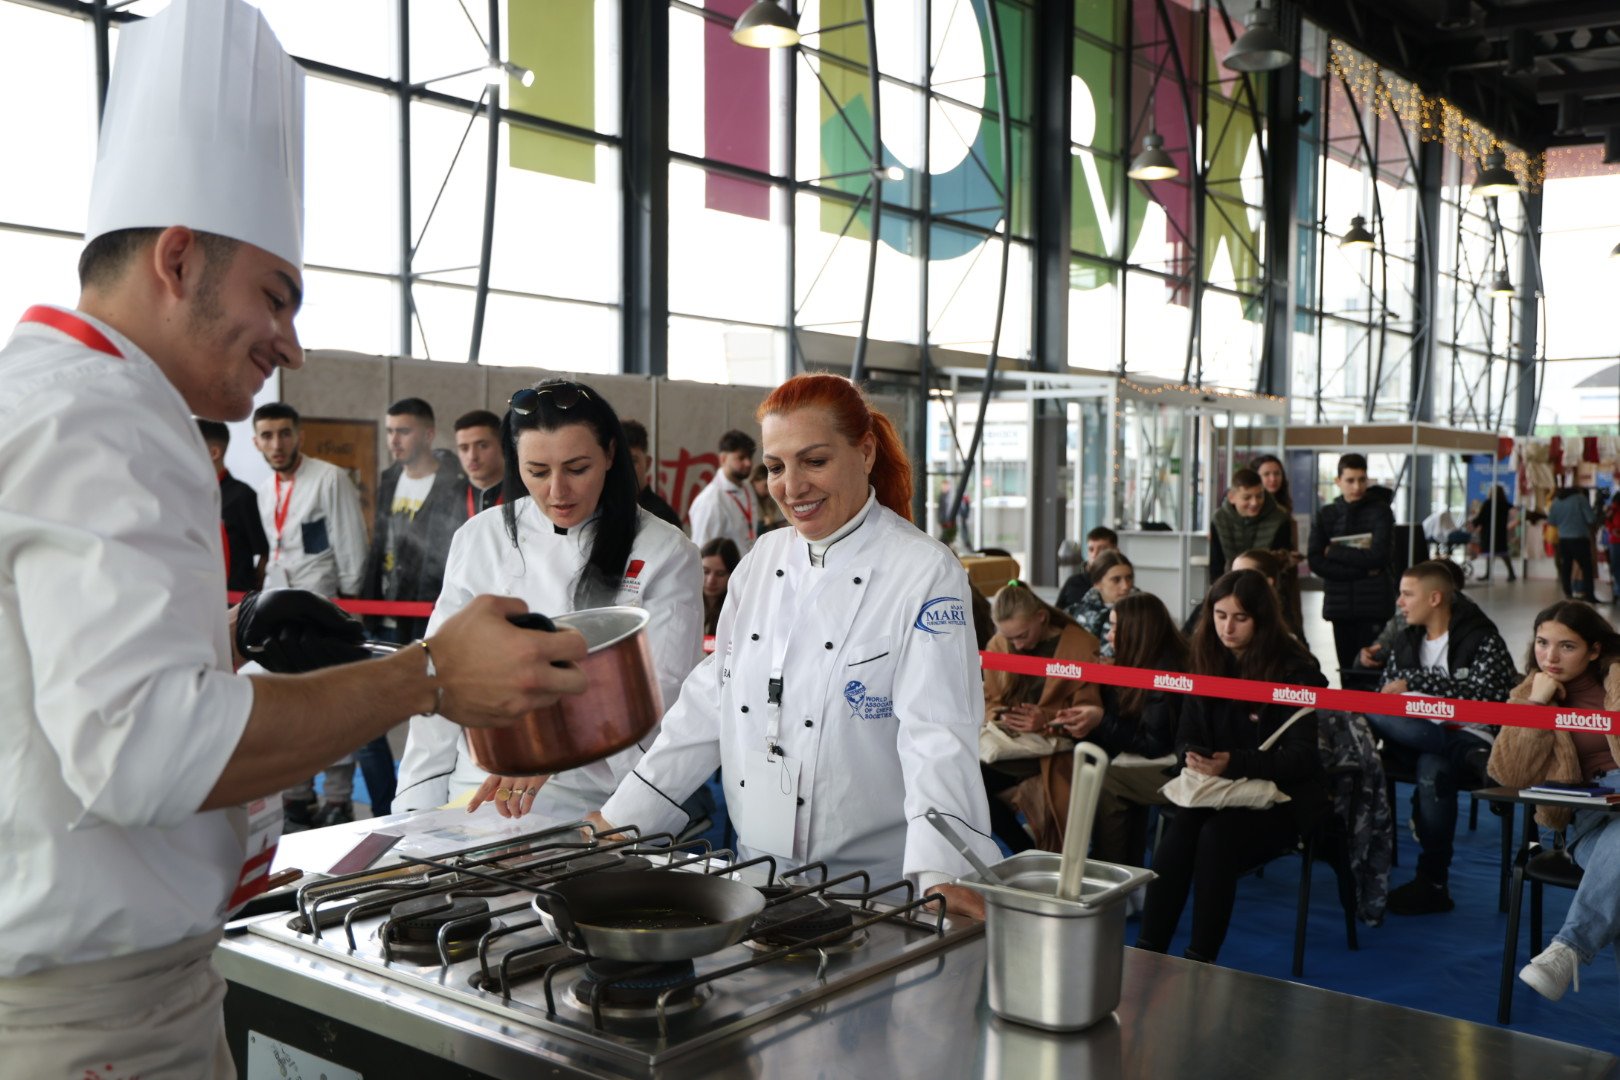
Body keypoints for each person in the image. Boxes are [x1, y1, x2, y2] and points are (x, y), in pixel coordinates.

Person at [0, 2, 587, 1071]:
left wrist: (229, 650)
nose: (292, 345)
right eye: (277, 297)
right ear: (178, 260)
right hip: (92, 1021)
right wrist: (427, 677)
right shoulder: (102, 416)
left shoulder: (50, 397)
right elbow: (145, 749)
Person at [591, 374, 998, 918]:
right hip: (755, 877)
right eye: (776, 467)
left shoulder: (923, 570)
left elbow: (938, 732)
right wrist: (623, 819)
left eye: (815, 461)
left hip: (874, 890)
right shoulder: (760, 561)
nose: (792, 486)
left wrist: (942, 873)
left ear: (866, 452)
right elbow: (711, 702)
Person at [396, 379, 704, 821]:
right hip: (474, 791)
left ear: (610, 455)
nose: (558, 491)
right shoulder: (481, 537)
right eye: (537, 472)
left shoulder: (664, 551)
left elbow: (662, 695)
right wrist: (414, 810)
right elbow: (440, 675)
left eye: (577, 469)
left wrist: (554, 747)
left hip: (598, 802)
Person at [1135, 570, 1329, 962]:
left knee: (1215, 836)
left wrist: (1234, 762)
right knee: (1182, 829)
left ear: (1262, 619)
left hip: (1280, 798)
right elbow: (1184, 735)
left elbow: (1302, 758)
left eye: (1240, 618)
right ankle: (1148, 950)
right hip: (1217, 787)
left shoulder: (1295, 670)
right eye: (1220, 615)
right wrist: (1192, 755)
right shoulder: (1204, 657)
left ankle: (1200, 959)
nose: (1227, 628)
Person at [1363, 560, 1519, 915]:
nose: (1399, 603)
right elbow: (1384, 697)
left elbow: (1491, 699)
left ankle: (1433, 883)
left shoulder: (1482, 638)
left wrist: (1416, 683)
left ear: (1434, 598)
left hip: (1472, 733)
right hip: (1420, 738)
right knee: (1372, 709)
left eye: (1407, 594)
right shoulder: (1404, 640)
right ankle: (1466, 756)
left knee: (1434, 769)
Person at [1488, 602, 1620, 1002]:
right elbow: (1510, 773)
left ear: (1594, 650)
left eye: (1567, 646)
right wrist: (1536, 706)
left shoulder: (1617, 680)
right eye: (1543, 643)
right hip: (1588, 816)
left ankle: (1566, 953)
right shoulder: (1529, 693)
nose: (1550, 656)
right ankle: (1570, 949)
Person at [1055, 592, 1185, 866]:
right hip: (1165, 756)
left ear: (1136, 632)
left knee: (1109, 782)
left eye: (1115, 627)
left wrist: (1101, 719)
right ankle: (1122, 870)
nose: (1109, 635)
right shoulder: (1147, 659)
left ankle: (1107, 871)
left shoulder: (1164, 673)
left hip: (1177, 763)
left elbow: (1153, 745)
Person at [978, 581, 1103, 853]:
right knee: (966, 780)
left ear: (1042, 617)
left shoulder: (1080, 646)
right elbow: (987, 700)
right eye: (1009, 638)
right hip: (1007, 744)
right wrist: (1002, 715)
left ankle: (1026, 852)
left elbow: (1086, 710)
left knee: (975, 783)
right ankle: (1025, 851)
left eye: (1022, 635)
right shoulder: (999, 644)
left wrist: (1046, 719)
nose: (1017, 645)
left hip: (1053, 749)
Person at [361, 397, 465, 644]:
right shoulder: (389, 479)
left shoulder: (454, 485)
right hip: (380, 609)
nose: (394, 441)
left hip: (424, 613)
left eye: (403, 432)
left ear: (429, 435)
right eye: (390, 431)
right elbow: (378, 544)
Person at [252, 402, 368, 598]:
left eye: (285, 434)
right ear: (256, 443)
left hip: (321, 598)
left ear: (300, 438)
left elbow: (351, 544)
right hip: (276, 595)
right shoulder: (265, 490)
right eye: (267, 436)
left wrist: (350, 596)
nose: (277, 445)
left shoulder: (329, 478)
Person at [1308, 452, 1397, 676]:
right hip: (1340, 607)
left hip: (1374, 605)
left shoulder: (1381, 512)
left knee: (1373, 670)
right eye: (1350, 480)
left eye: (1361, 479)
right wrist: (1365, 571)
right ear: (1338, 481)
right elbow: (1316, 561)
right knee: (1347, 670)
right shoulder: (1326, 515)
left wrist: (1334, 552)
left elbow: (1379, 556)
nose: (1357, 486)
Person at [198, 418, 268, 593]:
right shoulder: (190, 495)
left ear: (214, 453)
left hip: (235, 597)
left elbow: (264, 553)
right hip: (200, 593)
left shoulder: (243, 495)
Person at [1251, 453, 1305, 634]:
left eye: (1277, 473)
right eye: (1266, 474)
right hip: (1258, 576)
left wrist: (1290, 556)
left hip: (1285, 578)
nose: (1273, 479)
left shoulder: (1284, 507)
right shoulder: (1249, 509)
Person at [1209, 468, 1292, 581]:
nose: (1254, 503)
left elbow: (1281, 563)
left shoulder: (1279, 518)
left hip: (1267, 583)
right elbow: (1216, 565)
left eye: (1259, 496)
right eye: (1247, 498)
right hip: (1228, 583)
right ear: (1232, 497)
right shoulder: (1219, 519)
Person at [688, 428, 758, 554]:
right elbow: (702, 553)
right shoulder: (709, 501)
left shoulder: (747, 487)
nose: (748, 463)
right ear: (723, 459)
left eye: (749, 457)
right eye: (741, 457)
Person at [1066, 549, 1136, 657]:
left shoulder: (1143, 614)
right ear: (1097, 583)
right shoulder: (1074, 613)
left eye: (1129, 578)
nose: (1125, 586)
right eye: (1116, 580)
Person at [622, 418, 682, 530]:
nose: (625, 468)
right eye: (619, 461)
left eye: (633, 461)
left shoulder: (662, 517)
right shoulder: (603, 511)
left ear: (648, 463)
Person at [1547, 485, 1600, 602]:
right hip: (1579, 538)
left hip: (1563, 540)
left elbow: (1551, 521)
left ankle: (1568, 594)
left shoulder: (1557, 501)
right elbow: (1590, 518)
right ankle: (1589, 595)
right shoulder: (1580, 499)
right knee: (1586, 568)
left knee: (1566, 567)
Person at [455, 408, 506, 517]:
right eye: (464, 448)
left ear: (502, 445)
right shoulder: (447, 498)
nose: (472, 456)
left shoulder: (526, 493)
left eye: (482, 446)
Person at [1056, 525, 1119, 612]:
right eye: (1091, 549)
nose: (1094, 554)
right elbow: (1056, 615)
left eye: (1102, 549)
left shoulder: (1122, 586)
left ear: (1115, 551)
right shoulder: (1073, 582)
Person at [1472, 483, 1516, 583]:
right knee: (1503, 552)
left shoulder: (1488, 503)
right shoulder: (1505, 504)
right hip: (1500, 533)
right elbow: (1513, 511)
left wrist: (1474, 523)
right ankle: (1511, 573)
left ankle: (1489, 574)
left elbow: (1481, 518)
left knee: (1490, 552)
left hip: (1489, 532)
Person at [701, 537, 741, 635]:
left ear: (733, 574)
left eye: (720, 574)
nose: (711, 580)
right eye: (705, 571)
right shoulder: (685, 601)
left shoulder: (738, 610)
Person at [751, 461, 788, 534]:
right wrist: (764, 524)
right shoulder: (748, 499)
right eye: (765, 486)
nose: (768, 491)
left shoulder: (768, 500)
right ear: (755, 481)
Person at [1606, 491, 1620, 607]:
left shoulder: (1612, 509)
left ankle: (1617, 591)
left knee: (1615, 566)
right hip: (1615, 541)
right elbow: (1608, 522)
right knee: (1615, 567)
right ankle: (1617, 591)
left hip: (1615, 541)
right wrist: (1613, 530)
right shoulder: (1613, 509)